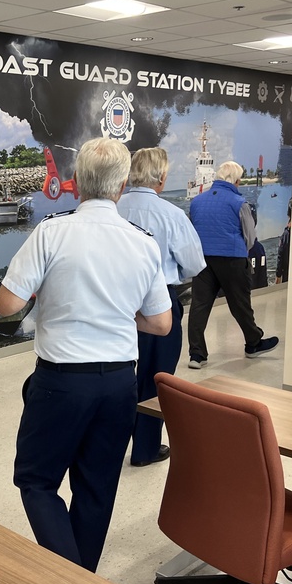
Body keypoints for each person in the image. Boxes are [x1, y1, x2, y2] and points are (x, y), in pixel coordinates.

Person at [0, 137, 172, 572]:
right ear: (122, 185)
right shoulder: (142, 242)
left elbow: (8, 306)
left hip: (60, 383)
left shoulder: (52, 232)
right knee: (96, 489)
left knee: (37, 481)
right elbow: (161, 323)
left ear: (75, 182)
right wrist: (115, 311)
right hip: (118, 384)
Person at [116, 147, 204, 468]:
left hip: (115, 303)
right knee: (156, 378)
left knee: (117, 374)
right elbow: (194, 264)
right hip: (159, 304)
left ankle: (108, 445)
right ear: (162, 178)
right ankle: (145, 449)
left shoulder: (112, 209)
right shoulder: (172, 215)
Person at [187, 161, 278, 369]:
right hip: (232, 259)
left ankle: (197, 355)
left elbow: (192, 230)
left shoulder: (197, 202)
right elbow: (250, 237)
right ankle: (253, 343)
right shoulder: (239, 202)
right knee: (240, 304)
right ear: (236, 181)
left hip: (203, 260)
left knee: (199, 306)